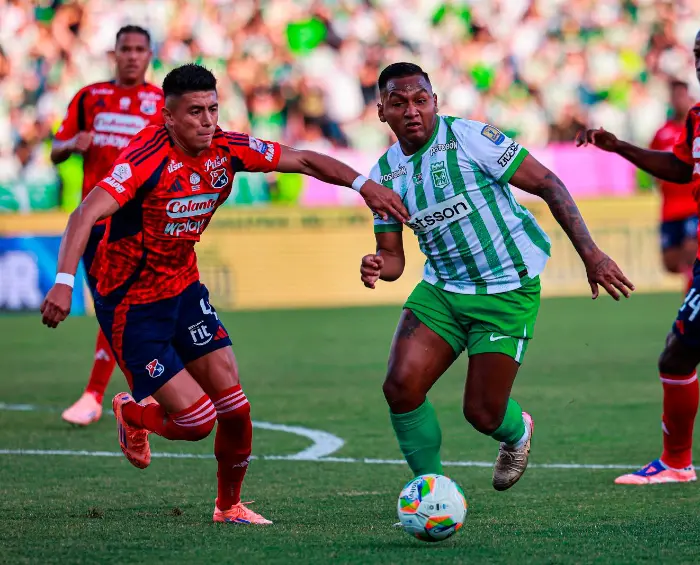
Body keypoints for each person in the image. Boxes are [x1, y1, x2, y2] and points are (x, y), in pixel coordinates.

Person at [40, 63, 408, 524]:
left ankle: (228, 506)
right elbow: (84, 213)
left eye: (213, 108)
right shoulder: (143, 158)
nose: (207, 120)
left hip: (183, 289)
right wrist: (64, 281)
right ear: (168, 118)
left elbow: (306, 160)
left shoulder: (226, 148)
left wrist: (365, 185)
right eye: (195, 112)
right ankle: (133, 412)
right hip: (131, 304)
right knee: (195, 423)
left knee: (235, 408)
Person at [359, 62, 633, 495]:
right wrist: (378, 265)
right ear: (381, 112)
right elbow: (393, 259)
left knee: (483, 414)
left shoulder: (470, 139)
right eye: (398, 102)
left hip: (507, 288)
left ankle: (516, 431)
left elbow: (548, 183)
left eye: (420, 100)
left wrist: (592, 255)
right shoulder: (382, 176)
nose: (411, 110)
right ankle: (432, 491)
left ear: (435, 102)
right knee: (400, 387)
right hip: (443, 290)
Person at [576, 17, 700, 485]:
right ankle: (676, 463)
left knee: (675, 359)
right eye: (698, 56)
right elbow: (680, 167)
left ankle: (675, 463)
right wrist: (619, 146)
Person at [52, 25, 164, 426]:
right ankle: (137, 392)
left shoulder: (161, 102)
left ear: (150, 54)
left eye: (139, 49)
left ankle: (102, 394)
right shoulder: (89, 98)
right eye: (125, 49)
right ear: (113, 53)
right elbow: (56, 149)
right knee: (110, 308)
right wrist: (71, 144)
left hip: (142, 221)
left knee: (127, 306)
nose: (132, 55)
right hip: (96, 222)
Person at [650, 80, 698, 291]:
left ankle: (693, 311)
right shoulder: (662, 133)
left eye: (683, 96)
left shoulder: (699, 129)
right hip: (670, 208)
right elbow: (652, 164)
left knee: (691, 254)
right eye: (675, 96)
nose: (679, 101)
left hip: (696, 205)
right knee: (671, 263)